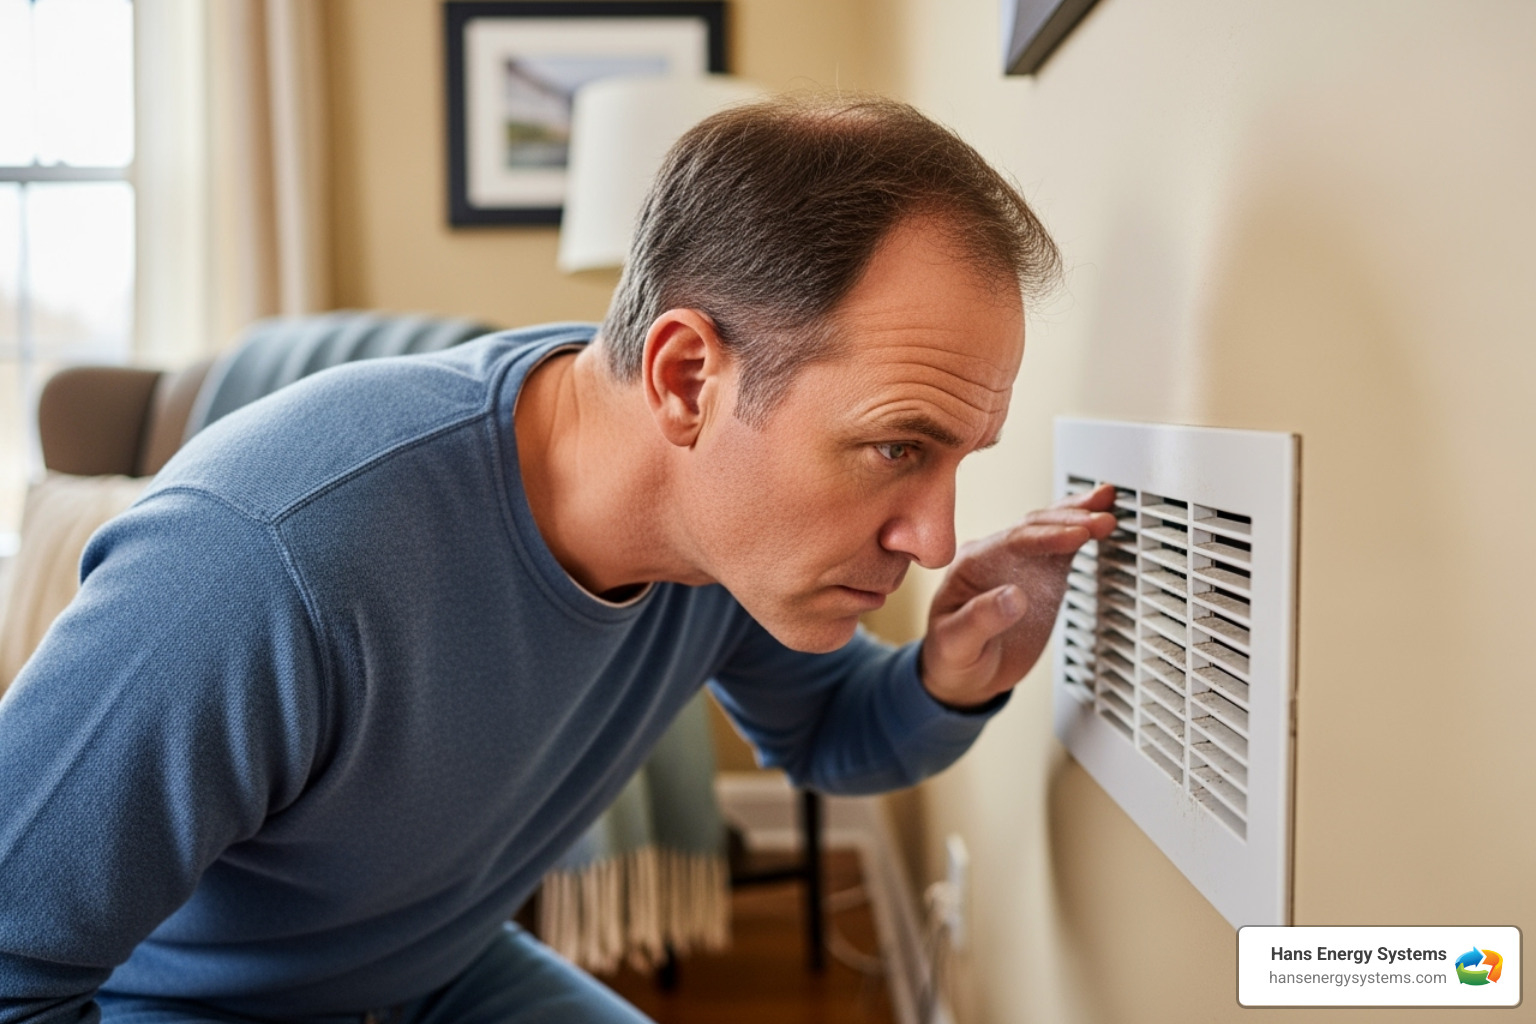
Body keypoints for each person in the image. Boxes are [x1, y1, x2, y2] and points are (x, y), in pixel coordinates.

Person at [0, 96, 1114, 1023]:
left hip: (436, 972)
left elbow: (831, 733)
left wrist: (949, 675)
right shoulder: (265, 559)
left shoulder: (722, 543)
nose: (933, 537)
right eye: (895, 447)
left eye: (956, 461)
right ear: (686, 379)